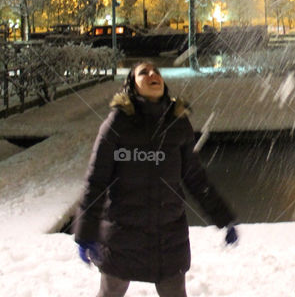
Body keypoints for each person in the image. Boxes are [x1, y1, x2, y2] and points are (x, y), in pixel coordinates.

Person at [74, 62, 238, 297]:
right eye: (144, 72)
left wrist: (223, 218)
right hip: (122, 236)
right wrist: (85, 233)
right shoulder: (117, 123)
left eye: (157, 72)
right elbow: (96, 180)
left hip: (168, 238)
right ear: (132, 85)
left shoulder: (178, 123)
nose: (153, 75)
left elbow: (196, 179)